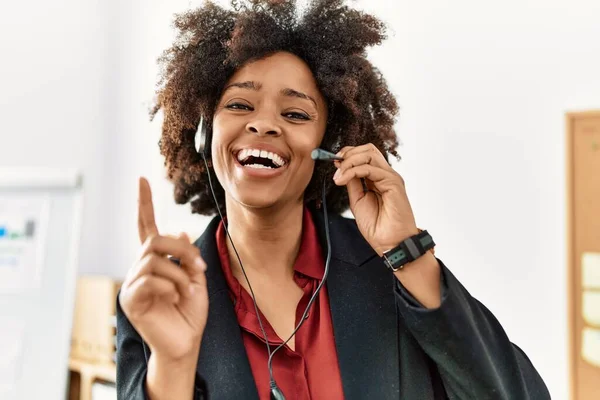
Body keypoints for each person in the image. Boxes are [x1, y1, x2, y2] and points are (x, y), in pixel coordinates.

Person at [116, 1, 550, 399]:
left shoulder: (391, 271)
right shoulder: (159, 298)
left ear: (330, 142)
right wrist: (173, 365)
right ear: (205, 133)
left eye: (296, 114)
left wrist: (410, 253)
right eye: (240, 105)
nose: (264, 123)